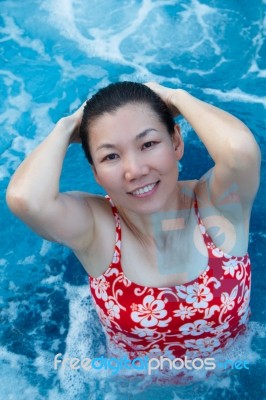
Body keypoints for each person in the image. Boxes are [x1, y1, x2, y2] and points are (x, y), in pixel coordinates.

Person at [6, 82, 261, 364]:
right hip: (131, 385)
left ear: (176, 142)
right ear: (95, 173)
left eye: (148, 144)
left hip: (232, 372)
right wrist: (67, 126)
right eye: (110, 156)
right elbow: (26, 199)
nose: (135, 171)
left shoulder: (218, 207)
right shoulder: (96, 229)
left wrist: (178, 97)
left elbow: (240, 152)